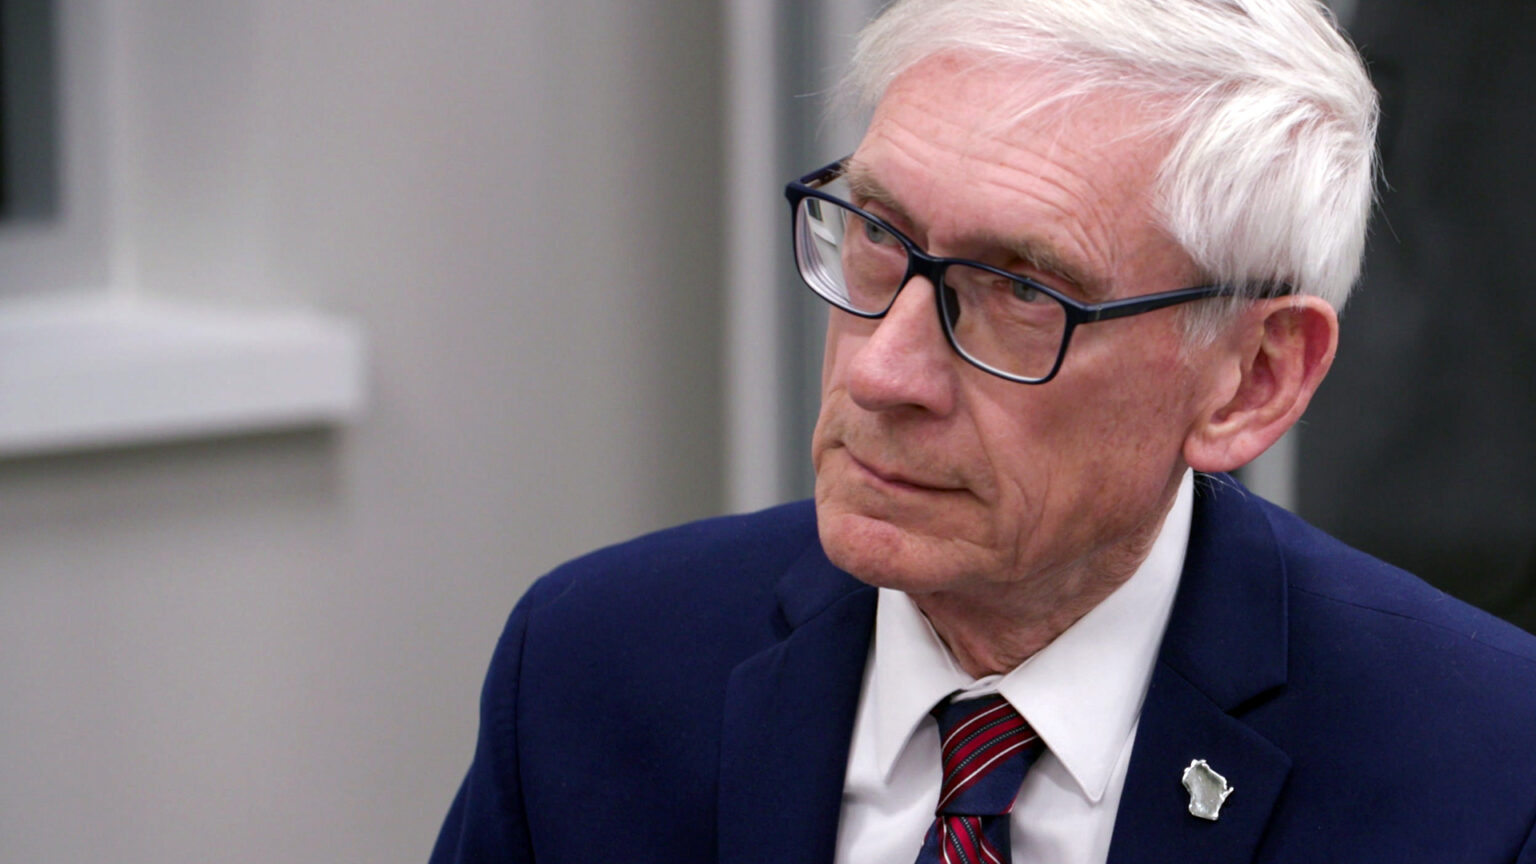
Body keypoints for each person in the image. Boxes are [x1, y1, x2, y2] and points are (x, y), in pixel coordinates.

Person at [430, 1, 1536, 861]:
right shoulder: (591, 668)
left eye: (1020, 291)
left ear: (1252, 379)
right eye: (875, 232)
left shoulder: (1486, 772)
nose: (882, 369)